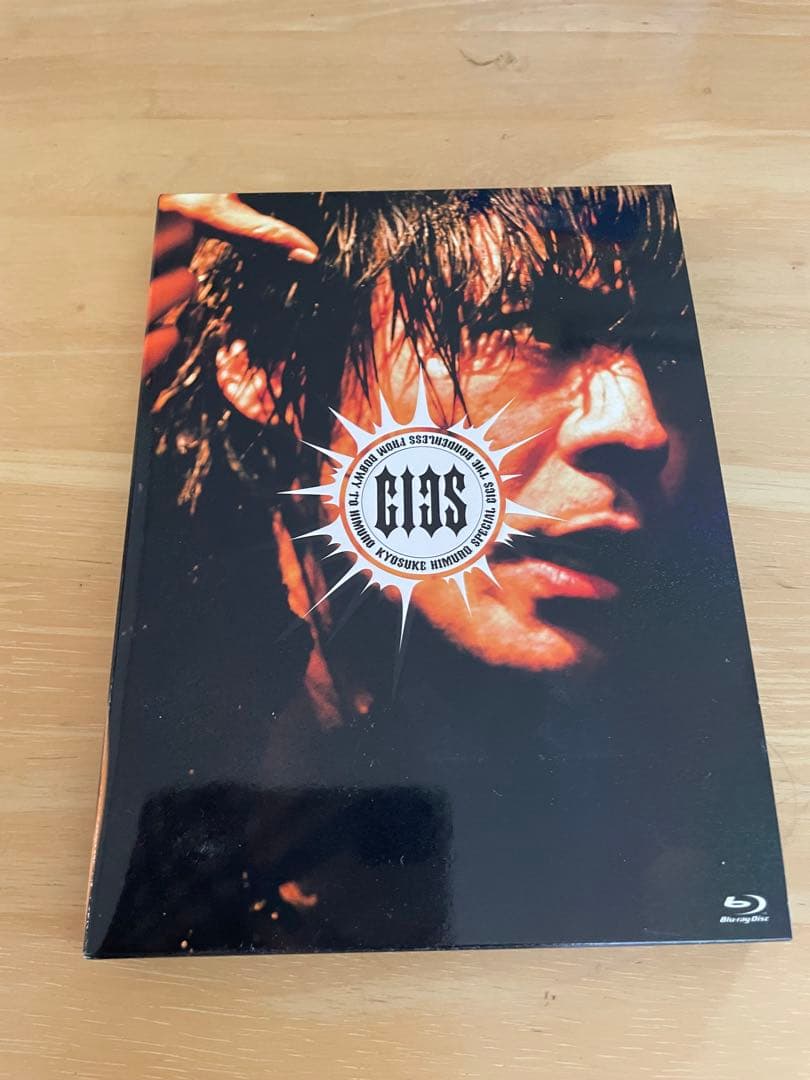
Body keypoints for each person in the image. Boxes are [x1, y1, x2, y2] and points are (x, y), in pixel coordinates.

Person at [87, 189, 785, 957]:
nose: (639, 426)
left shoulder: (670, 857)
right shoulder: (130, 757)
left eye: (666, 350)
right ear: (267, 360)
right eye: (535, 326)